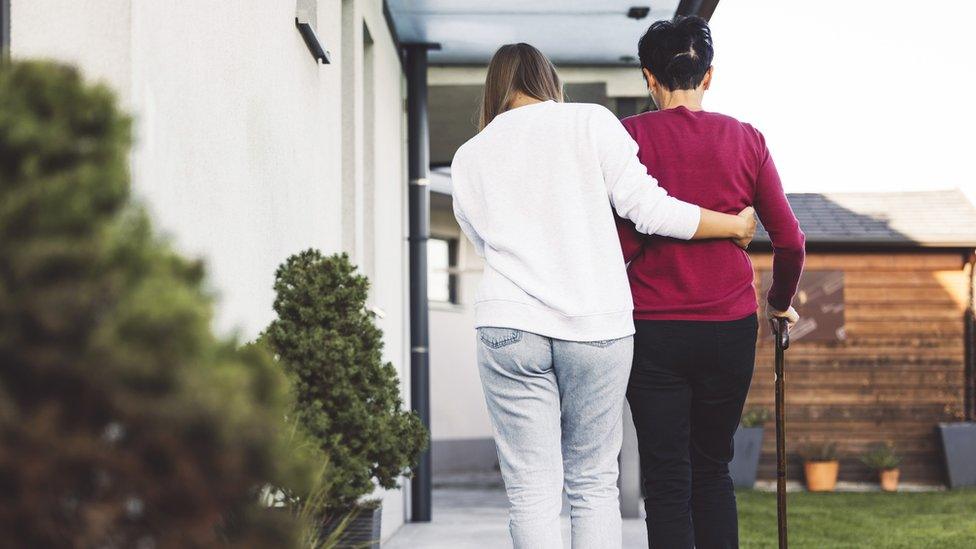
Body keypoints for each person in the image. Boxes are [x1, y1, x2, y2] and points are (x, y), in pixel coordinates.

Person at [450, 42, 756, 549]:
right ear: (548, 80)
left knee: (531, 490)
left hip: (510, 323)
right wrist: (734, 224)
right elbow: (650, 211)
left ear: (495, 88)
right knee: (592, 482)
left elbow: (483, 242)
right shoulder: (591, 123)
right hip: (596, 326)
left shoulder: (469, 155)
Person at [616, 16, 806, 549]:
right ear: (708, 76)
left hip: (652, 331)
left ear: (649, 78)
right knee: (712, 468)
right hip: (729, 330)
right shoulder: (747, 139)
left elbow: (620, 242)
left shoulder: (627, 137)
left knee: (667, 478)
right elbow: (790, 241)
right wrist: (779, 302)